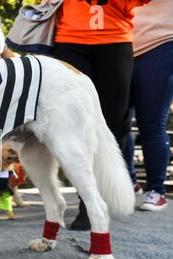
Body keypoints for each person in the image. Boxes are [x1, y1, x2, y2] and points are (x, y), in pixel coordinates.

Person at [53, 0, 150, 230]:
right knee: (74, 122)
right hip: (70, 39)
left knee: (114, 121)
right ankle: (87, 202)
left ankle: (106, 195)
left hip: (115, 39)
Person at [130, 0, 173, 211]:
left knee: (152, 122)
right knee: (116, 120)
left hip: (162, 42)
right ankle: (129, 182)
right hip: (120, 42)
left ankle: (156, 190)